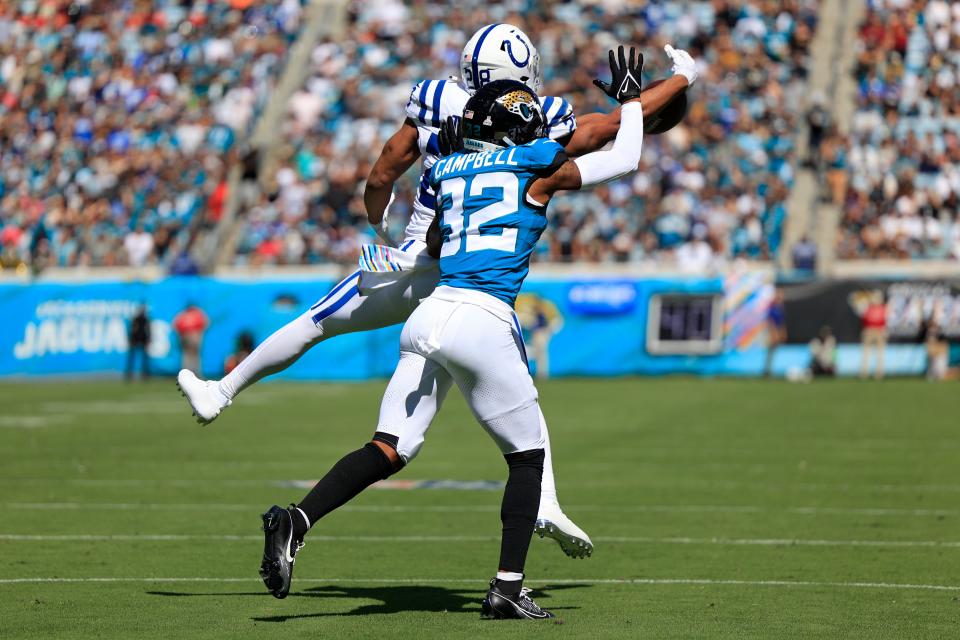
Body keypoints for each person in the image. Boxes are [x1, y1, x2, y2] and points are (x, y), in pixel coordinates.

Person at [178, 23, 699, 558]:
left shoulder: (439, 109)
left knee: (319, 325)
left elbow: (385, 170)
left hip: (416, 271)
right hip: (467, 283)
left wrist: (379, 225)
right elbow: (612, 130)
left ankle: (223, 393)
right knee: (519, 405)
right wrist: (680, 77)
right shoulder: (537, 127)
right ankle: (543, 504)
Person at [259, 52, 664, 618]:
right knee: (528, 458)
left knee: (390, 446)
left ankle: (296, 519)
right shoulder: (537, 164)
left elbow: (430, 247)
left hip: (428, 312)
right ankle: (507, 588)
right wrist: (630, 102)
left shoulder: (448, 171)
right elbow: (625, 156)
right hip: (483, 314)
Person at [173, 304, 209, 375]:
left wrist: (180, 335)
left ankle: (185, 374)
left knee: (187, 355)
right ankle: (195, 374)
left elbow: (174, 325)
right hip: (195, 335)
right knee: (194, 356)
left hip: (185, 335)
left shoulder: (182, 314)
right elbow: (207, 323)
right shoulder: (198, 313)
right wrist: (200, 333)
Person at [859, 290, 887, 379]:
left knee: (880, 354)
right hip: (869, 331)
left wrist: (884, 331)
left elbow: (884, 320)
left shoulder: (883, 308)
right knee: (866, 353)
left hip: (879, 331)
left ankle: (879, 373)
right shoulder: (868, 308)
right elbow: (864, 320)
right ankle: (864, 373)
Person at [126, 305, 151, 381]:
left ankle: (144, 374)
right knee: (133, 358)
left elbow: (148, 331)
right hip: (136, 340)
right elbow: (132, 330)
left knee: (143, 359)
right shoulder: (136, 319)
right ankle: (130, 374)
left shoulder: (145, 319)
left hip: (142, 340)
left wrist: (148, 339)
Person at [764, 289, 786, 377]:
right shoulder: (772, 307)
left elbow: (781, 322)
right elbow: (771, 322)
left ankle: (769, 370)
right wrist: (774, 334)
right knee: (770, 351)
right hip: (772, 333)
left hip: (777, 331)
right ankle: (767, 370)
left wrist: (782, 332)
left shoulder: (780, 308)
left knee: (773, 352)